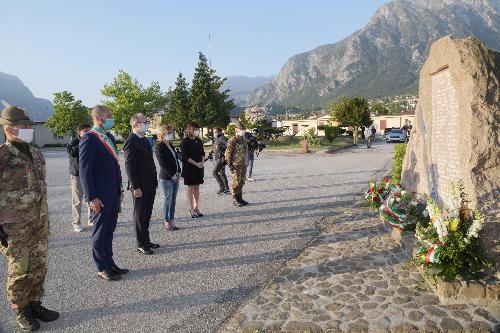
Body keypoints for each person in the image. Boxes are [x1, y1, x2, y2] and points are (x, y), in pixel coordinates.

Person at [0, 106, 59, 331]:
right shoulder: (2, 155)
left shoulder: (36, 153)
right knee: (19, 270)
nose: (29, 129)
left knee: (39, 265)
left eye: (29, 126)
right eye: (24, 126)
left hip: (39, 222)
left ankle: (35, 303)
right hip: (15, 227)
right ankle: (20, 309)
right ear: (10, 128)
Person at [79, 105, 128, 281]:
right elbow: (84, 171)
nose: (112, 118)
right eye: (109, 116)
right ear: (99, 118)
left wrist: (119, 188)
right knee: (99, 232)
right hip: (99, 195)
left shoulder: (108, 137)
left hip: (112, 193)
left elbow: (114, 165)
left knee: (109, 230)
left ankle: (110, 262)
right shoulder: (90, 139)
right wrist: (92, 196)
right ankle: (101, 267)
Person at [124, 113, 159, 255]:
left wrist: (154, 181)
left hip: (149, 183)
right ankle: (140, 243)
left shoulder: (143, 139)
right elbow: (129, 166)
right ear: (136, 124)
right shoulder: (131, 141)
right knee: (139, 214)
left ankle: (146, 240)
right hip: (140, 185)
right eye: (145, 122)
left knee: (147, 213)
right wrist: (135, 186)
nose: (147, 123)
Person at [155, 125, 181, 231]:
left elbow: (176, 160)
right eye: (168, 132)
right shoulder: (159, 147)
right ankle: (166, 220)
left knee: (173, 200)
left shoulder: (171, 144)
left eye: (171, 132)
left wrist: (179, 172)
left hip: (176, 176)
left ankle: (172, 219)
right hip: (166, 178)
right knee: (167, 200)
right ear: (162, 134)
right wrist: (172, 175)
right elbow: (163, 164)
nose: (171, 134)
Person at [67, 123, 92, 232]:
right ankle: (76, 223)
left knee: (91, 197)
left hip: (89, 174)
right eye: (85, 131)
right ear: (79, 132)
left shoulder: (92, 141)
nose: (88, 133)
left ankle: (91, 219)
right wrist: (83, 142)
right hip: (77, 175)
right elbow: (72, 152)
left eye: (89, 131)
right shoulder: (74, 142)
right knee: (77, 200)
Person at [180, 122, 205, 218]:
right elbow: (185, 156)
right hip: (189, 168)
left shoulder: (198, 140)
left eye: (197, 129)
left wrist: (202, 162)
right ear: (190, 129)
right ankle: (191, 208)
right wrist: (196, 163)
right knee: (190, 188)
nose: (197, 131)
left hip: (199, 167)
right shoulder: (185, 141)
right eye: (195, 129)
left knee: (197, 187)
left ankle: (196, 207)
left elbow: (202, 153)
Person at [226, 121, 249, 207]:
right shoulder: (232, 140)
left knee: (241, 182)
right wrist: (230, 165)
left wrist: (246, 162)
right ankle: (235, 199)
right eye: (241, 129)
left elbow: (246, 152)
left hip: (243, 164)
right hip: (236, 165)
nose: (243, 131)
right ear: (236, 130)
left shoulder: (244, 140)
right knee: (236, 183)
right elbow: (228, 154)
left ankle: (240, 198)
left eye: (244, 129)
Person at [211, 127, 230, 194]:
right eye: (214, 132)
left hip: (221, 159)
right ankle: (226, 189)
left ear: (220, 132)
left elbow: (229, 146)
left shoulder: (222, 138)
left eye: (215, 132)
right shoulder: (217, 139)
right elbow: (215, 148)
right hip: (217, 158)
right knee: (221, 173)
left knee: (214, 172)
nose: (214, 133)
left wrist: (221, 148)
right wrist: (211, 152)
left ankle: (222, 187)